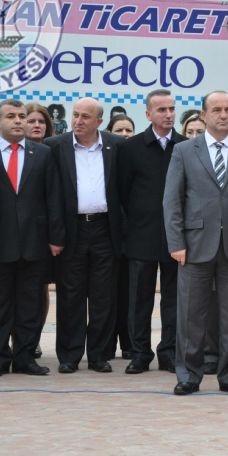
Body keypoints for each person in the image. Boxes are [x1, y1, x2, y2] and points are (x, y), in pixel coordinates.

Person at [164, 90, 228, 395]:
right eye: (217, 110)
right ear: (204, 115)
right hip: (194, 245)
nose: (223, 115)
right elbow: (172, 200)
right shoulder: (184, 151)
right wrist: (176, 242)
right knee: (191, 314)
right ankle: (188, 375)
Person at [0, 99, 64, 377]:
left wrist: (56, 237)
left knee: (30, 305)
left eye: (22, 116)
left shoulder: (42, 153)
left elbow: (53, 197)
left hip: (34, 241)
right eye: (11, 116)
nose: (18, 121)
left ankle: (25, 357)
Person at [44, 97, 124, 374]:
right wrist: (55, 235)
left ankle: (99, 355)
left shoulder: (117, 146)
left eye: (85, 117)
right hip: (71, 230)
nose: (78, 121)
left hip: (105, 229)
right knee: (70, 295)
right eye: (75, 115)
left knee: (104, 296)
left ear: (99, 121)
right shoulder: (55, 146)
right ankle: (69, 355)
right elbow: (50, 195)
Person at [118, 89, 185, 374]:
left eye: (171, 109)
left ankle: (169, 352)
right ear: (148, 114)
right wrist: (127, 232)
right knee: (139, 299)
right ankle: (139, 353)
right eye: (161, 110)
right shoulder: (131, 148)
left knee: (174, 299)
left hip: (176, 237)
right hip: (140, 236)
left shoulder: (185, 147)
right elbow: (120, 193)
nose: (168, 114)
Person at [24, 102, 55, 359]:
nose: (37, 125)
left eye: (41, 121)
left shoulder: (54, 151)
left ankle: (32, 340)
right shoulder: (7, 151)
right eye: (31, 120)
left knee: (39, 288)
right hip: (15, 232)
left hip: (45, 232)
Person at [105, 112, 136, 360]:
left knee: (128, 294)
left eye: (128, 130)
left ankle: (128, 343)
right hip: (106, 235)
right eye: (119, 130)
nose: (125, 135)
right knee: (107, 294)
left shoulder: (135, 157)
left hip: (132, 237)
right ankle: (105, 345)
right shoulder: (104, 159)